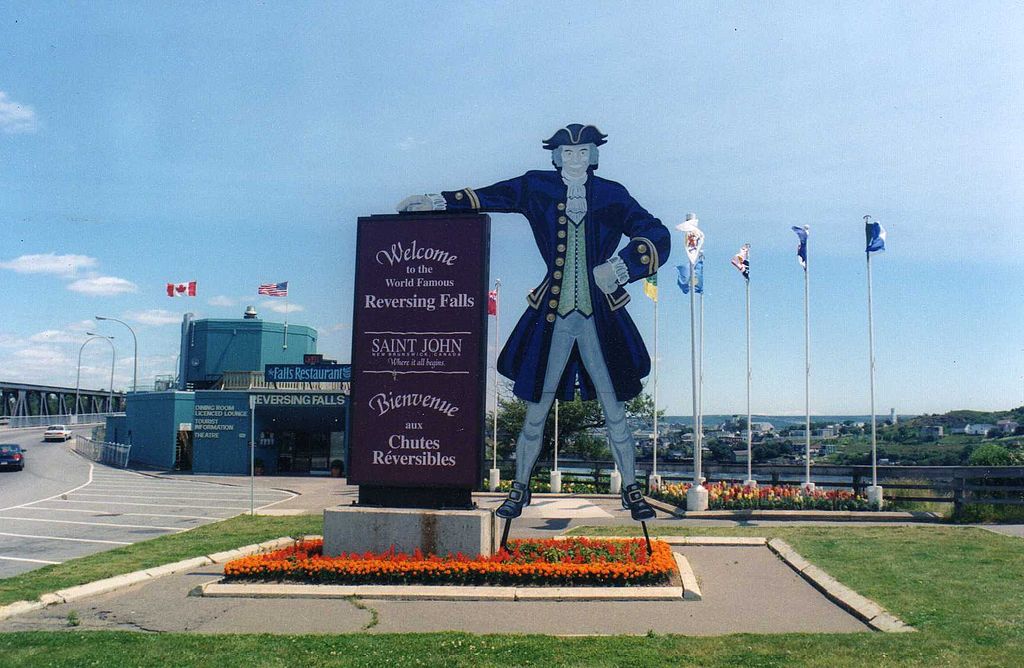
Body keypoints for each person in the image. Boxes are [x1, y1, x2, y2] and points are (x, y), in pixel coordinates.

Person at [397, 124, 670, 521]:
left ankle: (631, 489)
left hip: (600, 319)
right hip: (552, 315)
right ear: (556, 157)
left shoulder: (613, 195)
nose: (575, 159)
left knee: (615, 411)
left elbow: (657, 234)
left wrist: (622, 266)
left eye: (583, 152)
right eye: (567, 153)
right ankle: (519, 489)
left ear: (593, 156)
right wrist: (438, 201)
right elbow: (492, 195)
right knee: (536, 410)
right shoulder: (536, 187)